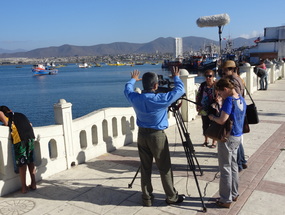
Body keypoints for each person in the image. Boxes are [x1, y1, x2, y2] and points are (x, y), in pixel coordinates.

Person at [124, 67, 185, 206]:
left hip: (142, 135)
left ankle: (147, 198)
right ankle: (171, 197)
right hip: (157, 136)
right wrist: (176, 77)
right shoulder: (160, 98)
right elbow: (180, 90)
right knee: (164, 168)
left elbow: (127, 89)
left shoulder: (135, 98)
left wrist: (133, 79)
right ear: (156, 85)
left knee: (145, 168)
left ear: (143, 85)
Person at [208, 78, 246, 208]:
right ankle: (234, 193)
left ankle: (225, 199)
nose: (219, 96)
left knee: (225, 168)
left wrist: (212, 117)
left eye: (220, 93)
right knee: (234, 166)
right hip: (238, 136)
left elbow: (222, 120)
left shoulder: (229, 100)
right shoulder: (240, 98)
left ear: (225, 89)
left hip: (227, 138)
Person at [0, 106, 37, 194]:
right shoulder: (19, 114)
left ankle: (24, 188)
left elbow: (4, 120)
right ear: (10, 110)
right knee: (30, 161)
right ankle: (33, 184)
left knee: (22, 164)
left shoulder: (5, 114)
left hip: (20, 139)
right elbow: (29, 124)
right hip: (30, 136)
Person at [222, 60, 247, 172]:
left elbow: (234, 96)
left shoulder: (233, 81)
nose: (224, 71)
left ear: (232, 69)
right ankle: (242, 161)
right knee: (238, 138)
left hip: (234, 112)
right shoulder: (240, 79)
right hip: (241, 110)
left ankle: (240, 162)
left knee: (235, 139)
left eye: (225, 70)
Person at [196, 69, 217, 148]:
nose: (208, 78)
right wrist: (197, 105)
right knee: (205, 125)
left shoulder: (216, 85)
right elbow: (198, 95)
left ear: (213, 77)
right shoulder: (202, 85)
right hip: (204, 108)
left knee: (213, 125)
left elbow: (220, 95)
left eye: (210, 76)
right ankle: (206, 140)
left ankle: (214, 142)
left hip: (214, 108)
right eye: (207, 76)